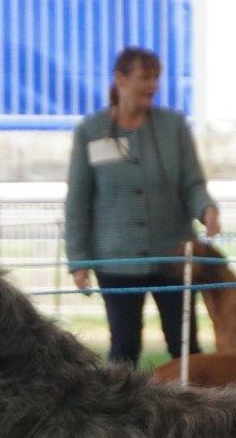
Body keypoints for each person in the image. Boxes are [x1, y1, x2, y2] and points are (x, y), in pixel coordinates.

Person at [65, 47, 220, 367]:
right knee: (124, 347)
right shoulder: (90, 132)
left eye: (156, 78)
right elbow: (78, 200)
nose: (152, 85)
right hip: (116, 261)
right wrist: (78, 260)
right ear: (120, 79)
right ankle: (119, 416)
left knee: (185, 346)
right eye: (144, 77)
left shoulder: (173, 127)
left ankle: (195, 414)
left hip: (173, 256)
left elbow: (192, 183)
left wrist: (206, 209)